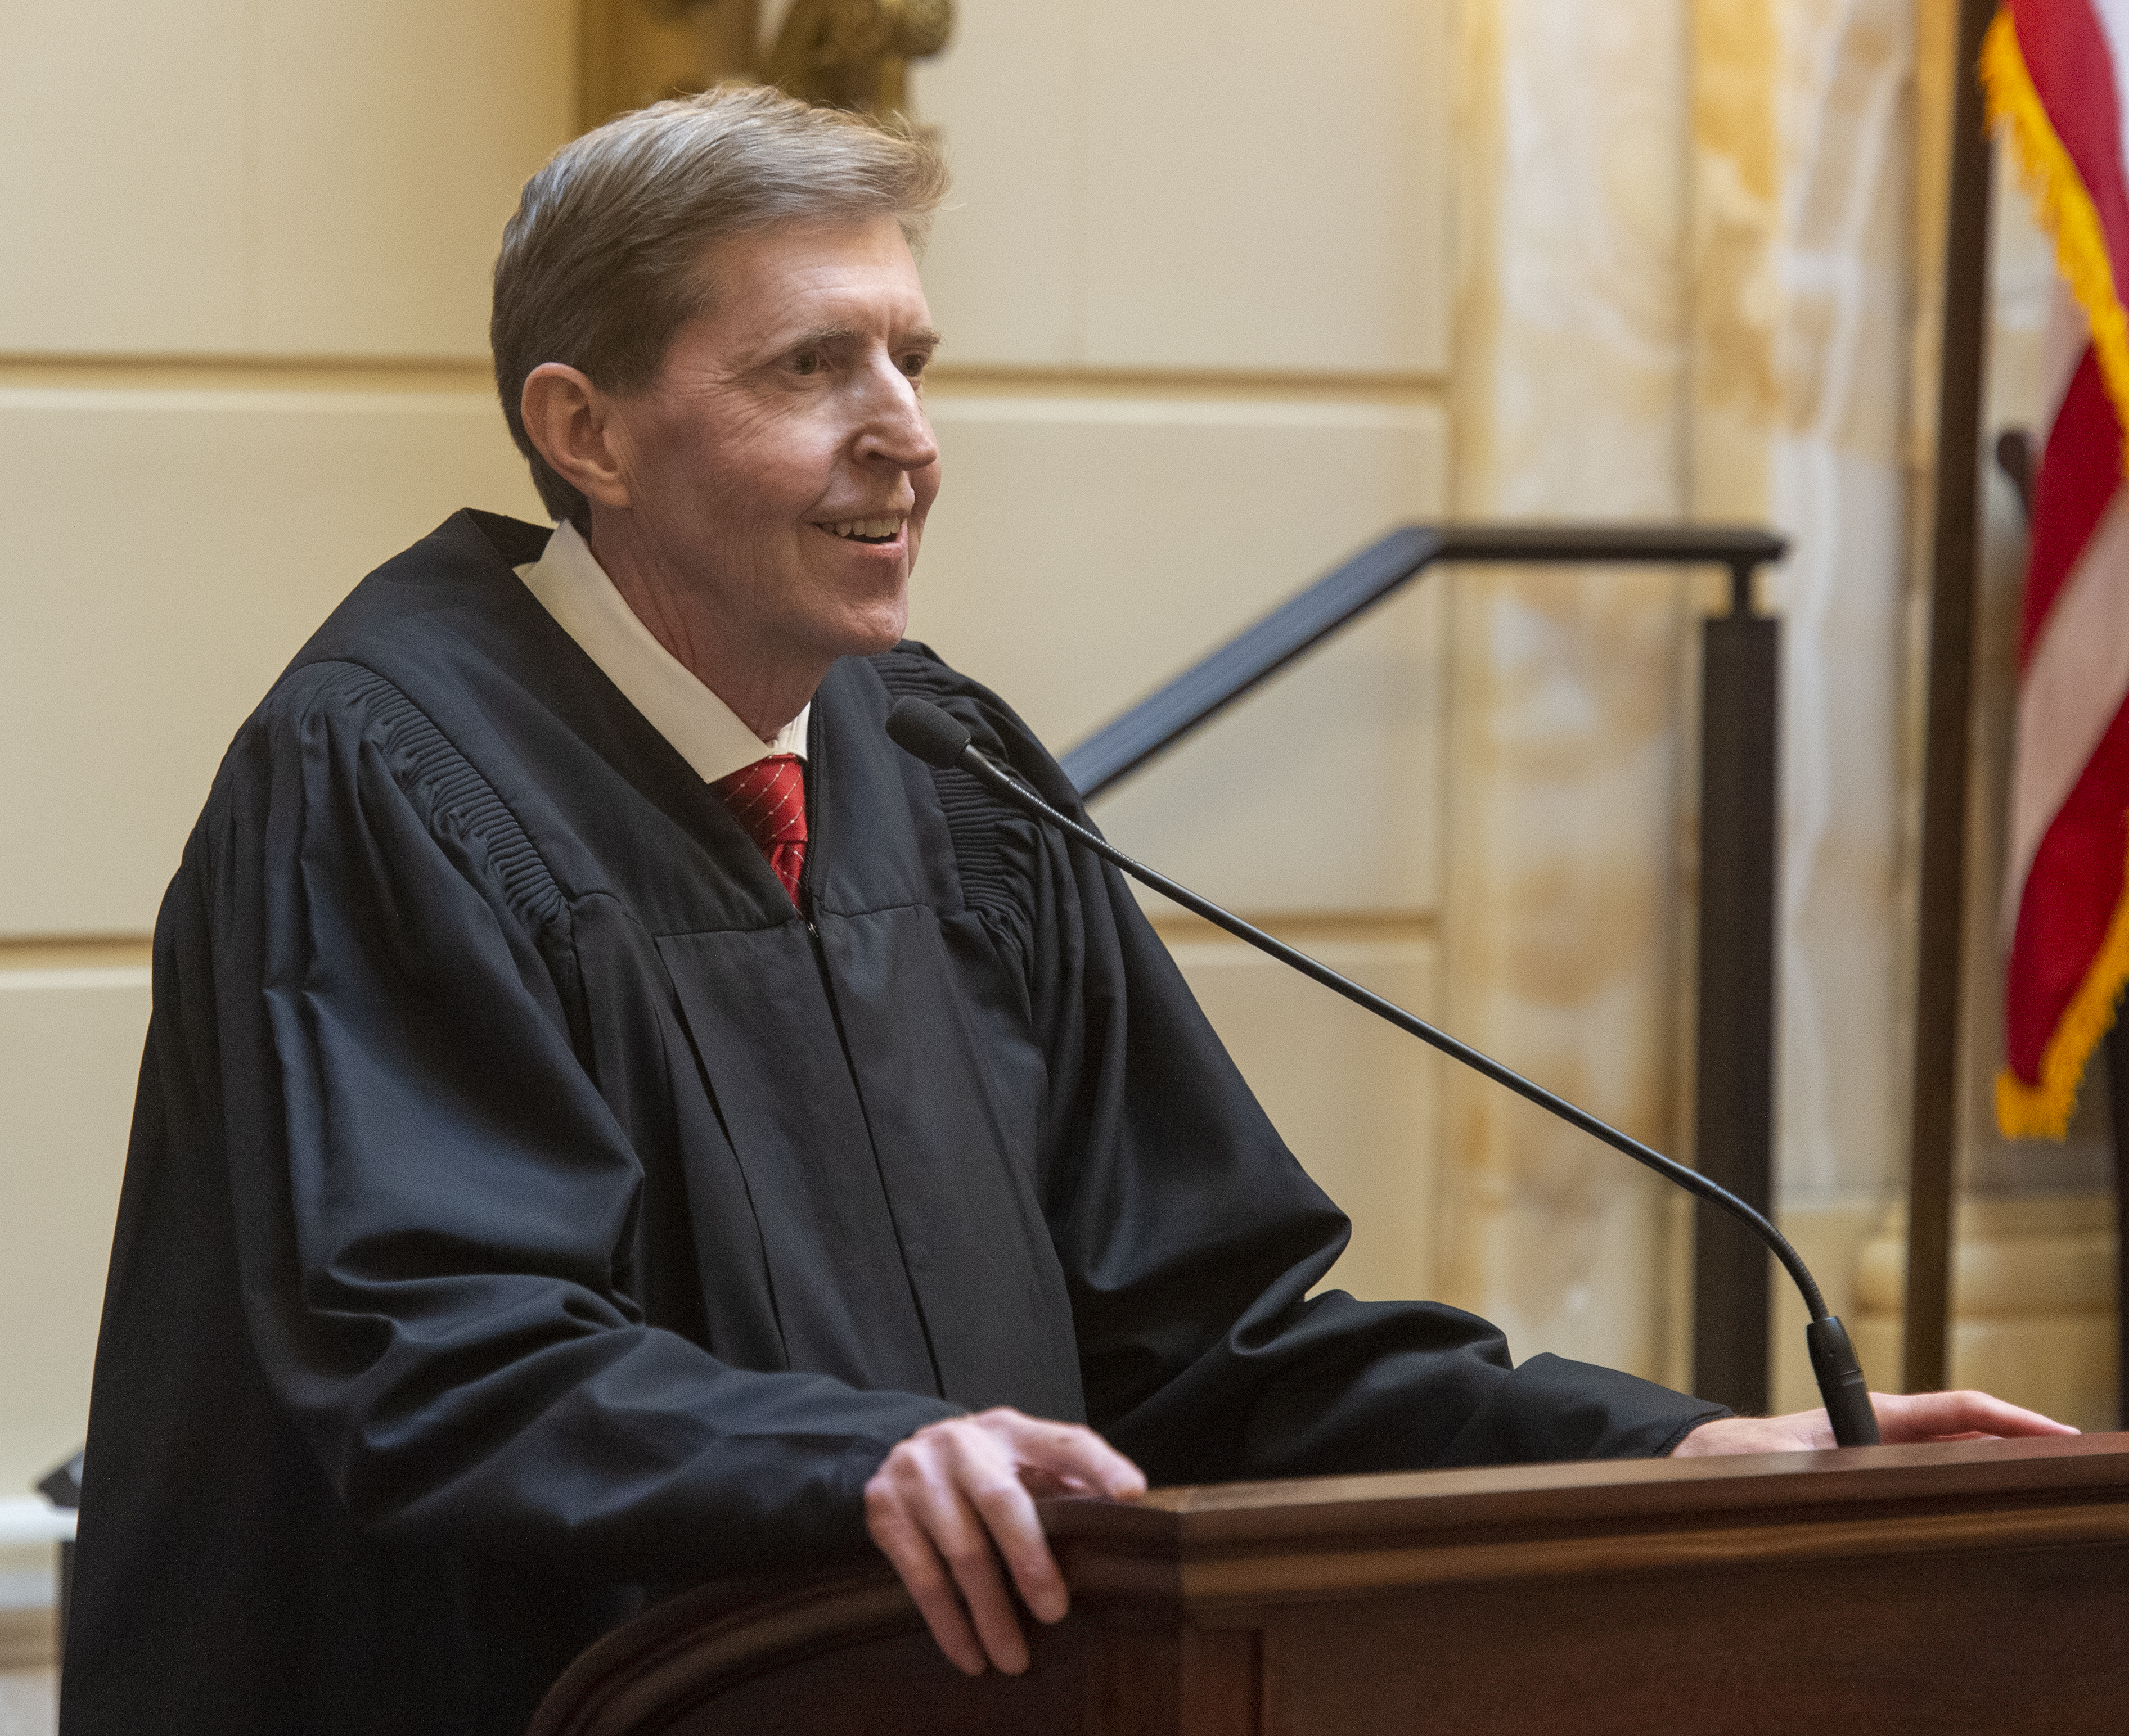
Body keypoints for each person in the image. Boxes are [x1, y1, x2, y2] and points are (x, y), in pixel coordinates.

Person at [62, 87, 2071, 1736]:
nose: (906, 433)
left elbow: (1210, 1346)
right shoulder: (384, 775)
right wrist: (852, 1460)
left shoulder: (943, 770)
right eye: (809, 365)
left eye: (912, 360)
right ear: (583, 429)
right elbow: (439, 1355)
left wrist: (1666, 1456)